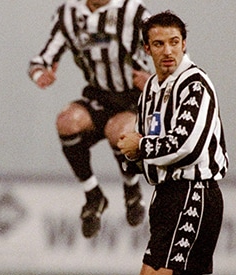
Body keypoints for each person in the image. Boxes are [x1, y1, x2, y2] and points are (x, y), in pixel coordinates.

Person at [115, 11, 228, 275]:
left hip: (194, 191)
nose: (167, 51)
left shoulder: (195, 84)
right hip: (170, 194)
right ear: (147, 48)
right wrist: (131, 149)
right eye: (158, 43)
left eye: (174, 42)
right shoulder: (151, 92)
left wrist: (140, 145)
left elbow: (189, 144)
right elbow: (147, 156)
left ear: (184, 43)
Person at [28, 0, 152, 238]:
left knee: (118, 131)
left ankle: (131, 187)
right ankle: (93, 195)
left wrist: (155, 80)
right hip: (98, 96)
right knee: (66, 120)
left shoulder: (133, 12)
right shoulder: (69, 15)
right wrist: (39, 74)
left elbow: (174, 54)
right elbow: (40, 60)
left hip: (133, 99)